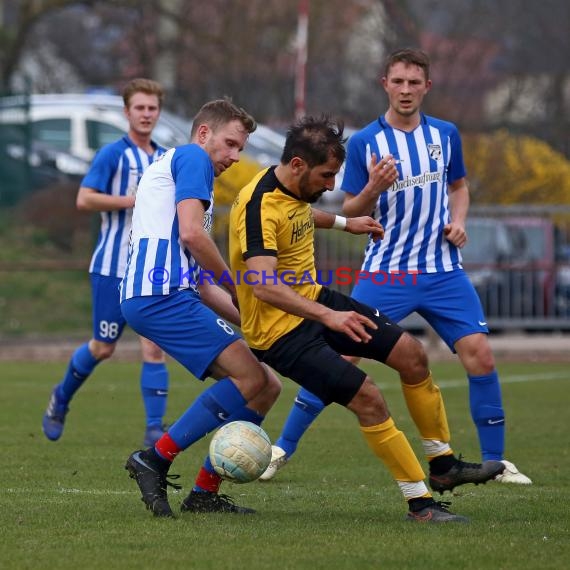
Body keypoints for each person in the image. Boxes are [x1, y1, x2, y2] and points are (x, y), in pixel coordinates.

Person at [260, 48, 531, 486]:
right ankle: (281, 449)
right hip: (387, 271)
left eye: (414, 82)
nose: (406, 90)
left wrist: (458, 221)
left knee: (480, 356)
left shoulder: (445, 134)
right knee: (339, 355)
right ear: (384, 84)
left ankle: (496, 462)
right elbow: (351, 206)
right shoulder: (367, 140)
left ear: (427, 86)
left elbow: (459, 188)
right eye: (398, 82)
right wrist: (373, 186)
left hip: (443, 270)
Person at [229, 114, 505, 523]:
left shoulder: (288, 184)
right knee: (369, 399)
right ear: (300, 165)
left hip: (313, 302)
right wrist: (331, 318)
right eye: (327, 176)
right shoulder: (257, 206)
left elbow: (299, 215)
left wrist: (346, 223)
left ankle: (443, 465)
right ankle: (420, 504)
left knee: (411, 355)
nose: (331, 185)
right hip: (278, 333)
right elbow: (264, 285)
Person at [121, 98, 283, 518]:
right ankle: (154, 459)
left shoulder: (190, 172)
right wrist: (241, 283)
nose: (233, 156)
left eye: (240, 149)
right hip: (160, 296)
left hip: (169, 295)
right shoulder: (193, 157)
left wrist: (250, 317)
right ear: (204, 133)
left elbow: (203, 283)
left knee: (267, 385)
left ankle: (204, 494)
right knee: (250, 378)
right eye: (229, 144)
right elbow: (194, 237)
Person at [42, 78, 171, 447]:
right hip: (112, 267)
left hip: (148, 267)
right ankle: (61, 398)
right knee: (104, 347)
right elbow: (84, 199)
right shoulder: (113, 154)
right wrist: (132, 201)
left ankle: (154, 430)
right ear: (127, 112)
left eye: (152, 108)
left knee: (153, 345)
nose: (146, 114)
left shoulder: (164, 158)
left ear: (158, 112)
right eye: (140, 108)